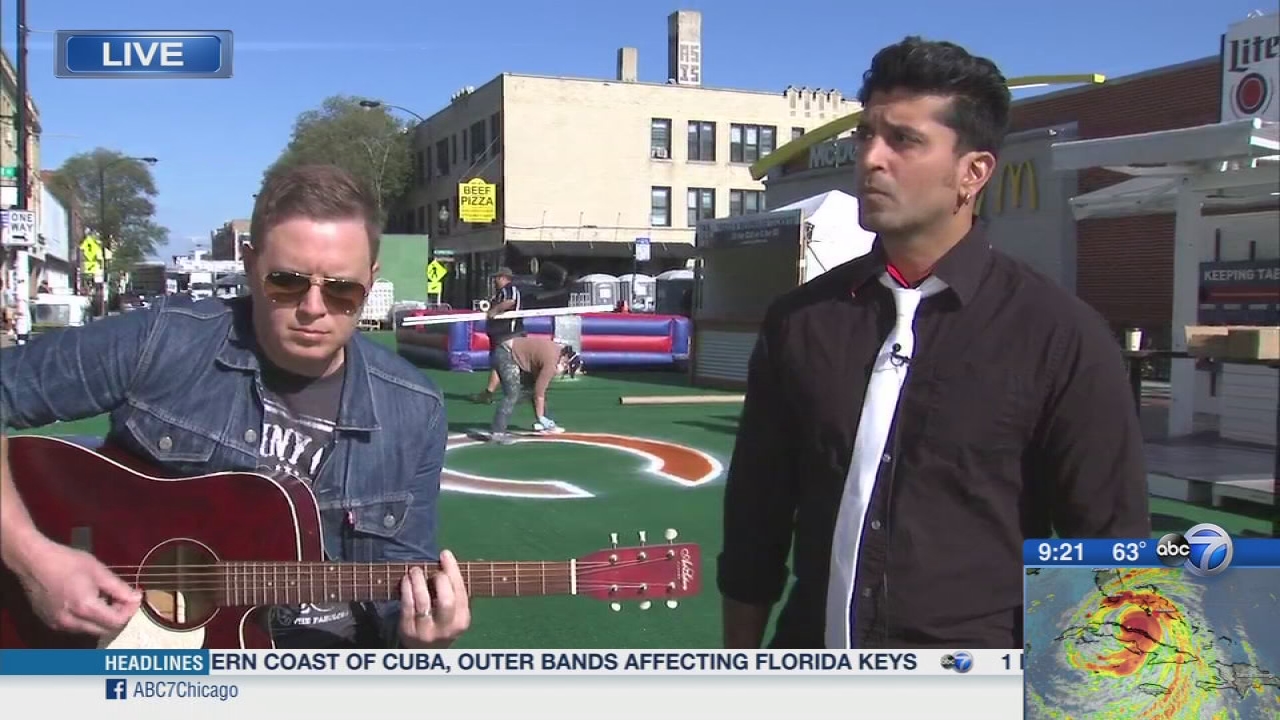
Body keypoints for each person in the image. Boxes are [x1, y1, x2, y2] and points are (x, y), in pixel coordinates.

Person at [717, 37, 1149, 650]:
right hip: (811, 665)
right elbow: (755, 516)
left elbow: (1110, 548)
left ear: (973, 173)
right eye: (866, 136)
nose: (871, 158)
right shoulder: (800, 321)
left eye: (904, 140)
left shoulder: (1062, 337)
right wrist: (740, 667)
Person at [0, 164, 471, 649]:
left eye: (341, 289)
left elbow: (400, 585)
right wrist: (32, 559)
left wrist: (421, 637)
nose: (313, 307)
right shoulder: (164, 340)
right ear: (250, 265)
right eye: (286, 282)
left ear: (370, 281)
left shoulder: (414, 410)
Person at [488, 336, 575, 444]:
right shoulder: (551, 364)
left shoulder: (557, 353)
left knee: (531, 389)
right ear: (565, 361)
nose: (563, 372)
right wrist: (540, 417)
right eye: (566, 369)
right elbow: (539, 393)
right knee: (512, 393)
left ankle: (546, 423)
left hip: (511, 351)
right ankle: (497, 432)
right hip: (506, 353)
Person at [472, 268, 525, 404]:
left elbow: (510, 301)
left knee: (508, 363)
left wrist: (494, 311)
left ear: (503, 277)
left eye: (496, 278)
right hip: (500, 334)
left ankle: (517, 392)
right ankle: (489, 393)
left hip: (509, 334)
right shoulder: (499, 293)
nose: (494, 281)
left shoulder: (510, 289)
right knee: (499, 363)